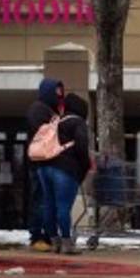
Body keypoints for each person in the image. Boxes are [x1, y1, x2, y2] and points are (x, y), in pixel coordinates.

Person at [37, 92, 91, 255]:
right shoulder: (78, 122)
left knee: (49, 205)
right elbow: (81, 148)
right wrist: (84, 167)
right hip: (65, 169)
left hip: (44, 167)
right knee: (63, 206)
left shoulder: (55, 122)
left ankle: (55, 242)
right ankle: (67, 243)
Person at [26, 78, 64, 252]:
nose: (59, 96)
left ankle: (48, 234)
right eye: (56, 92)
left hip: (51, 162)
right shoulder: (38, 109)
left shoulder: (51, 111)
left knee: (48, 200)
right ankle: (37, 236)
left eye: (60, 92)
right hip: (40, 163)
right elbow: (44, 134)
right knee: (40, 200)